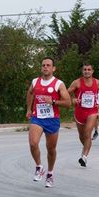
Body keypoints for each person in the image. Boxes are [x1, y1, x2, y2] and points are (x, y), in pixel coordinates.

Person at [26, 57, 71, 188]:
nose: (45, 67)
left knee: (51, 149)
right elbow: (30, 93)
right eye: (43, 65)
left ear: (53, 68)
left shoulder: (58, 84)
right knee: (33, 143)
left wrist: (53, 101)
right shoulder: (35, 81)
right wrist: (29, 108)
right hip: (37, 117)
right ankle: (39, 167)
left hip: (52, 119)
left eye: (48, 65)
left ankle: (50, 173)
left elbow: (68, 102)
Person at [68, 63, 99, 167]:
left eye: (89, 69)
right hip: (79, 112)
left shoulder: (98, 83)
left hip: (92, 112)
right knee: (82, 136)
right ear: (82, 71)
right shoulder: (76, 83)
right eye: (85, 69)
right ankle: (85, 148)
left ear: (92, 71)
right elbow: (66, 93)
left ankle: (84, 157)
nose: (87, 71)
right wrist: (72, 99)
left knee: (87, 133)